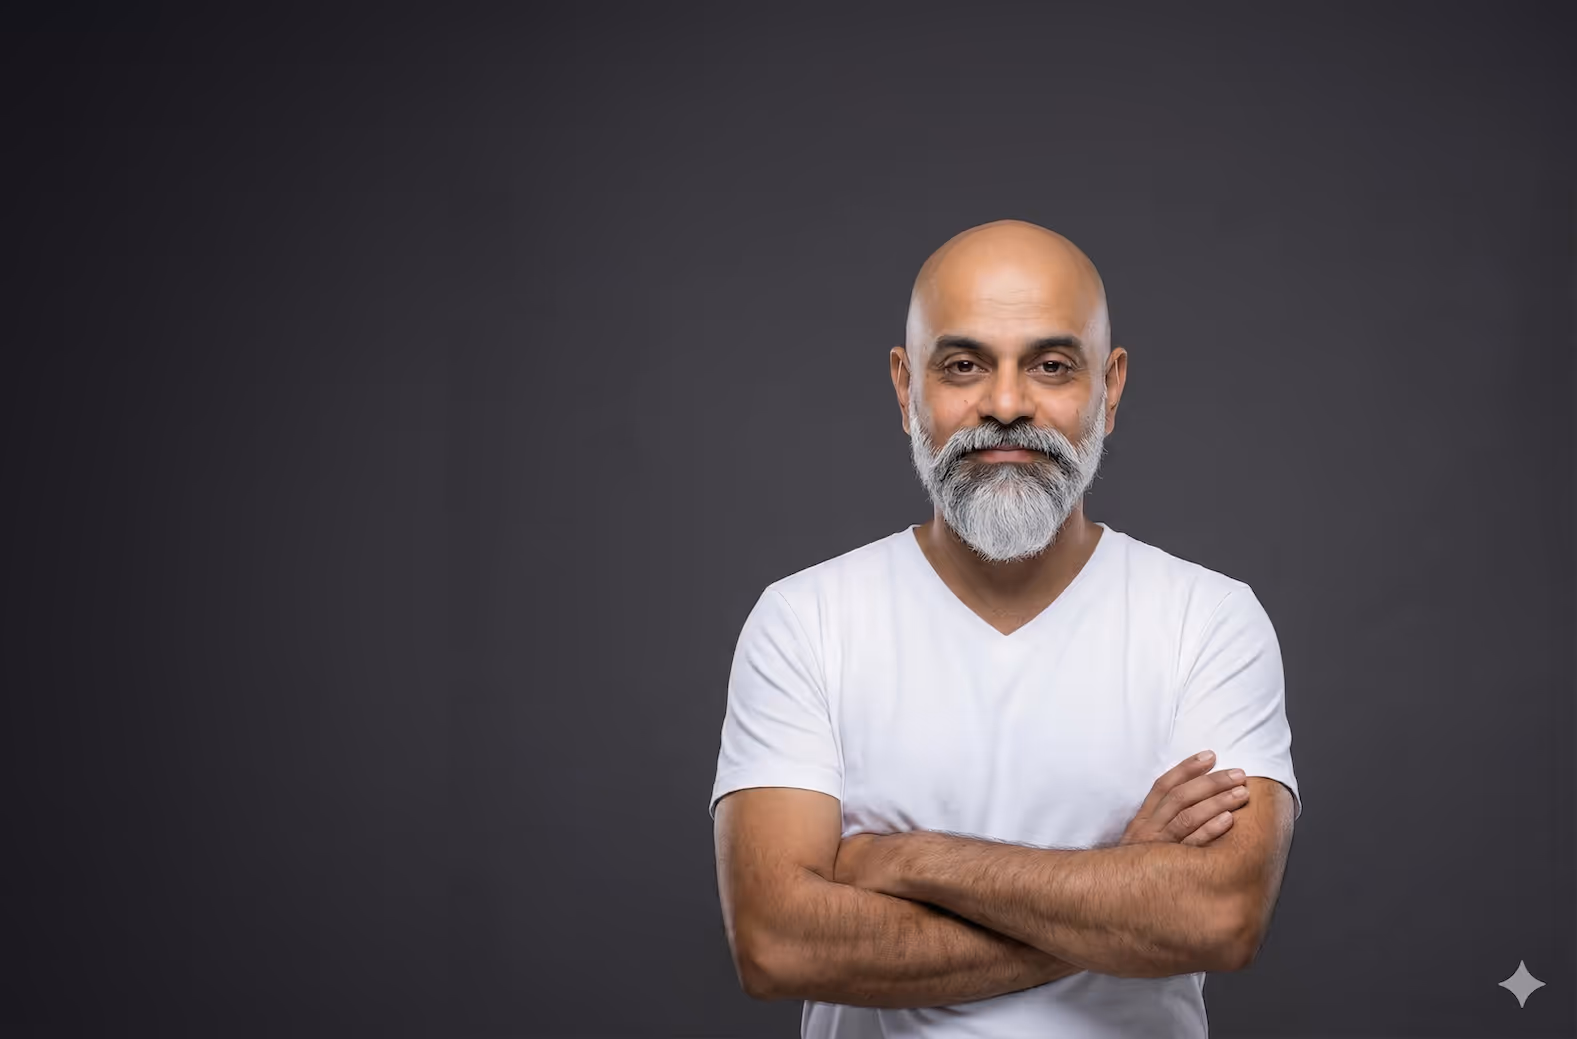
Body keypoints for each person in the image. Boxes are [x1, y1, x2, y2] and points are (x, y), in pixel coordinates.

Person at [709, 219, 1301, 1038]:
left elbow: (1220, 917)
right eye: (962, 365)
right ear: (904, 387)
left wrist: (902, 860)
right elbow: (776, 944)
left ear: (1111, 387)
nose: (1006, 404)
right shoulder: (804, 621)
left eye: (1052, 365)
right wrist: (1120, 887)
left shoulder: (1207, 620)